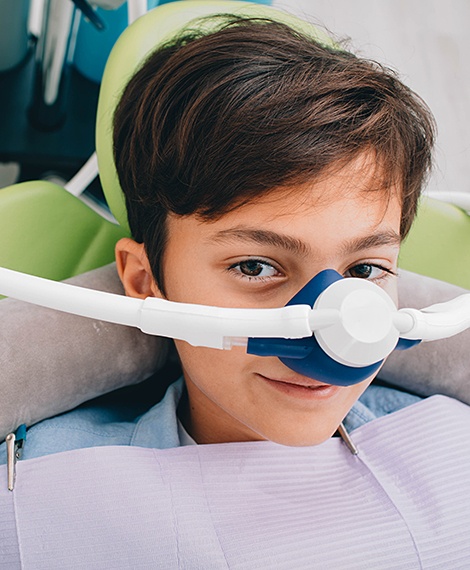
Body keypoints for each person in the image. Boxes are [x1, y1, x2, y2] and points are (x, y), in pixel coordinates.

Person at [1, 14, 469, 568]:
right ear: (145, 282)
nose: (332, 328)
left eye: (364, 271)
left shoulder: (450, 444)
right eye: (255, 266)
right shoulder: (35, 495)